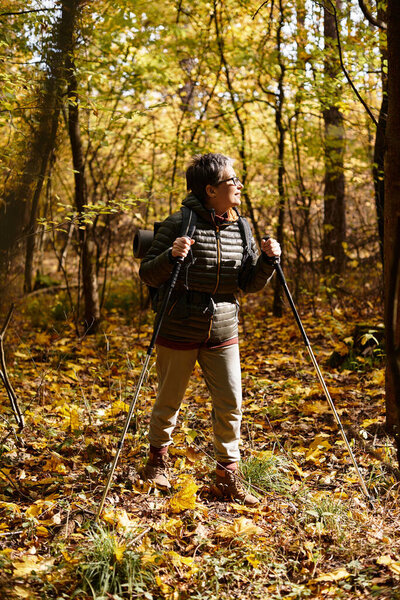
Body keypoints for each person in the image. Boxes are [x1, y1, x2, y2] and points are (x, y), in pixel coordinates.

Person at [139, 153, 281, 505]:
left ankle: (227, 476)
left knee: (231, 402)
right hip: (179, 325)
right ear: (211, 189)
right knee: (169, 401)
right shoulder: (179, 223)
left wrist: (267, 261)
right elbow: (147, 273)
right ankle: (157, 462)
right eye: (232, 181)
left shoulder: (242, 227)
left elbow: (248, 283)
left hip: (223, 328)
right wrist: (171, 256)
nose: (239, 185)